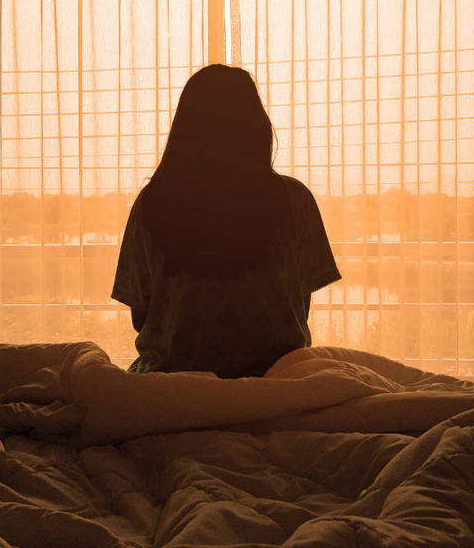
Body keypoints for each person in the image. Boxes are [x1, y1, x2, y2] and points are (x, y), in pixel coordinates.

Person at [111, 64, 340, 378]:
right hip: (274, 380)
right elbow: (299, 308)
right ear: (257, 126)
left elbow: (141, 315)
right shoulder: (295, 200)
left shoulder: (152, 203)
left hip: (171, 379)